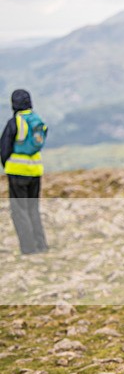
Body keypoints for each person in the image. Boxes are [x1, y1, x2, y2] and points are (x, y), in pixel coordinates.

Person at [0, 89, 48, 254]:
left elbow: (4, 147)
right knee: (33, 209)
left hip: (18, 172)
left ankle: (28, 249)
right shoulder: (37, 120)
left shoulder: (15, 122)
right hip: (35, 170)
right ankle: (41, 245)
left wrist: (7, 164)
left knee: (20, 210)